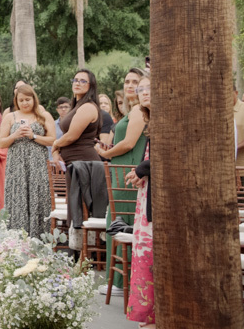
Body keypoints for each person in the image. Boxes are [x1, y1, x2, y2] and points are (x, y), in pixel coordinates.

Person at [96, 67, 147, 296]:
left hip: (128, 170)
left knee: (120, 219)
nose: (129, 85)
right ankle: (118, 279)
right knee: (116, 219)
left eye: (134, 82)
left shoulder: (138, 110)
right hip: (122, 166)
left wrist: (105, 154)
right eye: (126, 81)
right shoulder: (132, 110)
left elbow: (129, 143)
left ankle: (119, 281)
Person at [0, 84, 55, 239]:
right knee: (18, 197)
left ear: (34, 99)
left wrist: (34, 136)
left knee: (39, 196)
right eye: (21, 100)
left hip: (37, 162)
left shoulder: (43, 116)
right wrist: (15, 135)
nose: (25, 103)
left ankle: (40, 238)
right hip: (16, 164)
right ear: (16, 101)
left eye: (28, 99)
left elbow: (52, 140)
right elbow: (1, 143)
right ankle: (17, 240)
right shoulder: (10, 117)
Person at [51, 69, 102, 228]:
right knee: (75, 208)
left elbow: (72, 135)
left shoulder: (88, 107)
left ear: (91, 85)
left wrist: (55, 145)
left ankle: (85, 251)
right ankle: (78, 251)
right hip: (74, 163)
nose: (77, 83)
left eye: (82, 81)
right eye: (75, 80)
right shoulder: (77, 106)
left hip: (85, 163)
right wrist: (56, 151)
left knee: (82, 210)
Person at [124, 77, 153, 328]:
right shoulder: (151, 121)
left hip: (160, 198)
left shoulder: (167, 119)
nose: (143, 92)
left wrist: (142, 168)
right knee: (144, 253)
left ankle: (153, 315)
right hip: (147, 195)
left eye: (149, 87)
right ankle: (148, 316)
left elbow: (168, 153)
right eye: (140, 89)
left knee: (150, 254)